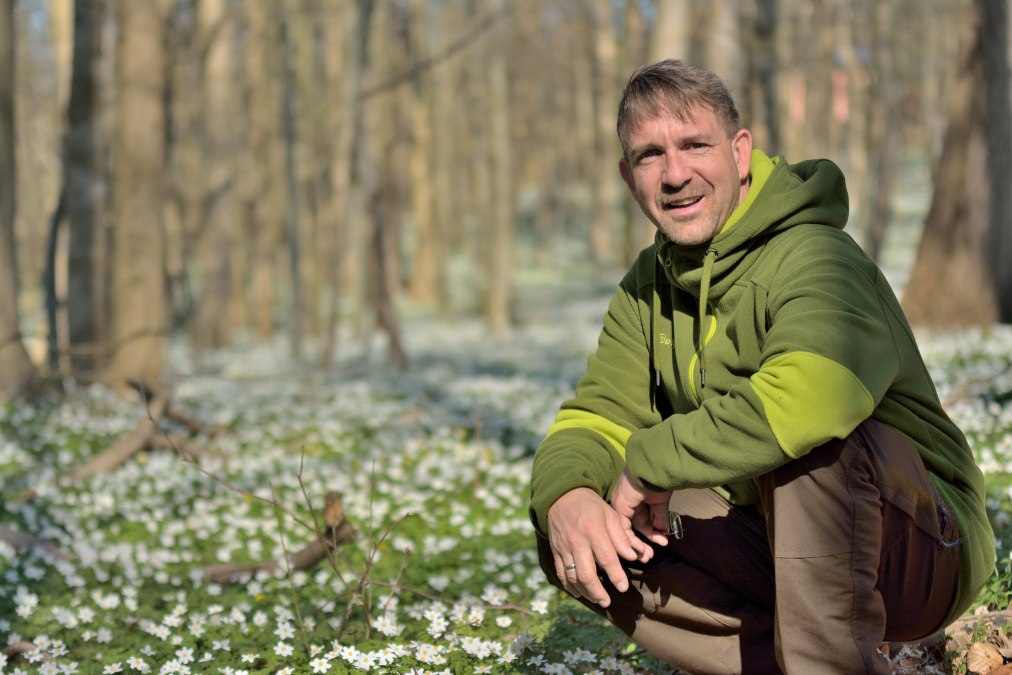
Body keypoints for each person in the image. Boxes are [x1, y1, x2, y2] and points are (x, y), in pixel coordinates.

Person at [528, 58, 995, 674]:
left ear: (741, 151)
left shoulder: (817, 254)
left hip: (920, 551)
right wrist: (566, 498)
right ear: (626, 176)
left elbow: (811, 397)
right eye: (649, 155)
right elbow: (596, 417)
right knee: (580, 531)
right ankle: (783, 661)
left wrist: (651, 461)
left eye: (695, 145)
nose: (675, 174)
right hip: (774, 544)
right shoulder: (647, 285)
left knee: (808, 445)